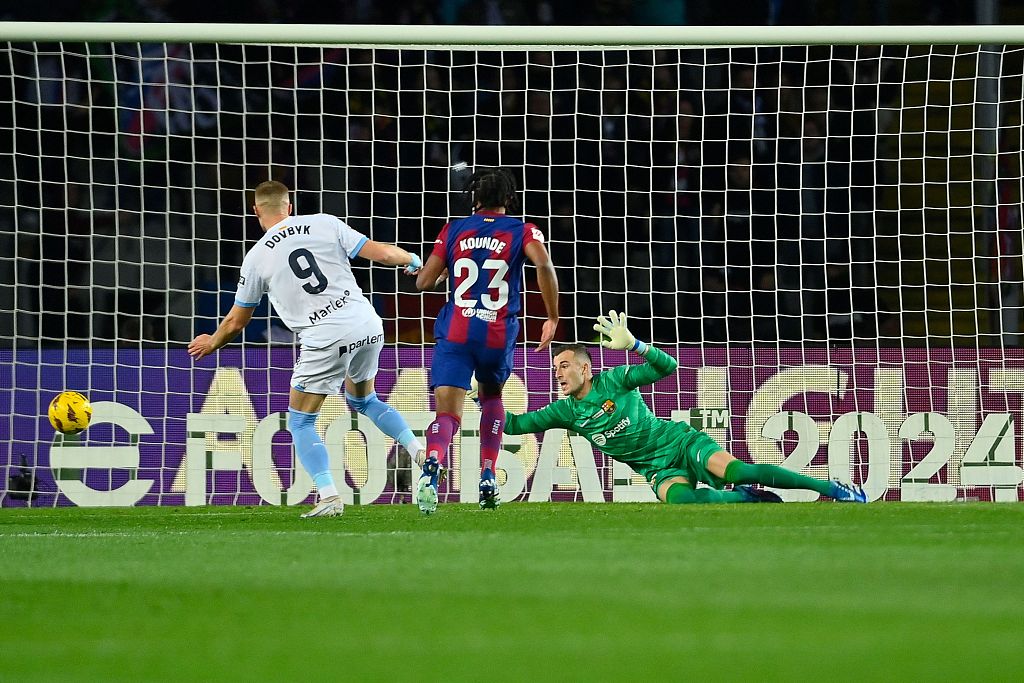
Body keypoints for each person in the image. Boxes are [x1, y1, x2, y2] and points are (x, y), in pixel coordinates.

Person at [187, 180, 426, 518]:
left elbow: (236, 323)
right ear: (291, 205)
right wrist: (414, 259)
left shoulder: (256, 257)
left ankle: (329, 496)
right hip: (367, 323)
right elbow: (385, 254)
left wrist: (212, 341)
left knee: (301, 421)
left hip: (324, 335)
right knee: (363, 399)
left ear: (256, 211)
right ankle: (419, 450)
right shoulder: (324, 222)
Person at [504, 310, 868, 505]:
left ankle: (834, 488)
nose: (558, 374)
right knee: (681, 501)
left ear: (585, 367)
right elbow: (515, 424)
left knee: (738, 470)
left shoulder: (614, 380)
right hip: (654, 467)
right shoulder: (565, 411)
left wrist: (636, 344)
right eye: (555, 369)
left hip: (678, 442)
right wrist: (480, 394)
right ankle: (743, 502)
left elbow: (669, 367)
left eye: (564, 366)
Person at [414, 167, 559, 514]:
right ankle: (489, 474)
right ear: (508, 199)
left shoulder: (454, 229)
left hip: (456, 332)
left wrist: (446, 265)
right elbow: (544, 264)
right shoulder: (523, 230)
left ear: (474, 199)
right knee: (491, 397)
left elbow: (423, 283)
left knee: (448, 413)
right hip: (496, 332)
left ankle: (433, 460)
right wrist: (552, 317)